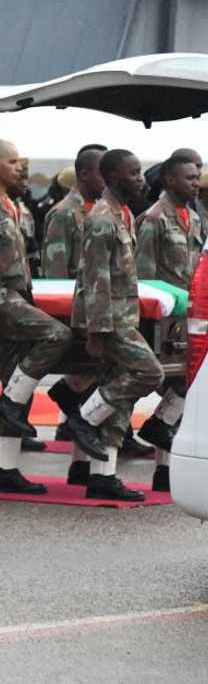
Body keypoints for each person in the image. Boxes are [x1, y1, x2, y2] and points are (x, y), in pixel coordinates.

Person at [0, 140, 72, 493]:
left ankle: (5, 469)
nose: (19, 168)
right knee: (58, 334)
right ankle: (8, 404)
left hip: (17, 296)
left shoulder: (11, 205)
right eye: (12, 162)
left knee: (13, 380)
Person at [65, 149, 165, 501]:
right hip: (109, 322)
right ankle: (84, 419)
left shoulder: (123, 214)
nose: (141, 178)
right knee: (150, 373)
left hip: (122, 317)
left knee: (118, 398)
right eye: (134, 173)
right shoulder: (102, 219)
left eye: (140, 172)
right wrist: (95, 331)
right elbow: (96, 278)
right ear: (112, 177)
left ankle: (102, 475)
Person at [134, 154, 204, 491]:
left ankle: (164, 469)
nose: (195, 181)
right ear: (170, 180)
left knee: (189, 384)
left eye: (197, 176)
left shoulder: (192, 217)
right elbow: (144, 279)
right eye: (189, 177)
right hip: (164, 319)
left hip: (187, 315)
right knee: (180, 383)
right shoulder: (154, 219)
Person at [41, 146, 107, 484]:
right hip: (76, 310)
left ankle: (81, 464)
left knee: (90, 383)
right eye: (101, 171)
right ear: (83, 174)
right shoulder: (65, 213)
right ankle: (81, 464)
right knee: (93, 380)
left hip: (98, 307)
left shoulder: (106, 209)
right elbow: (55, 275)